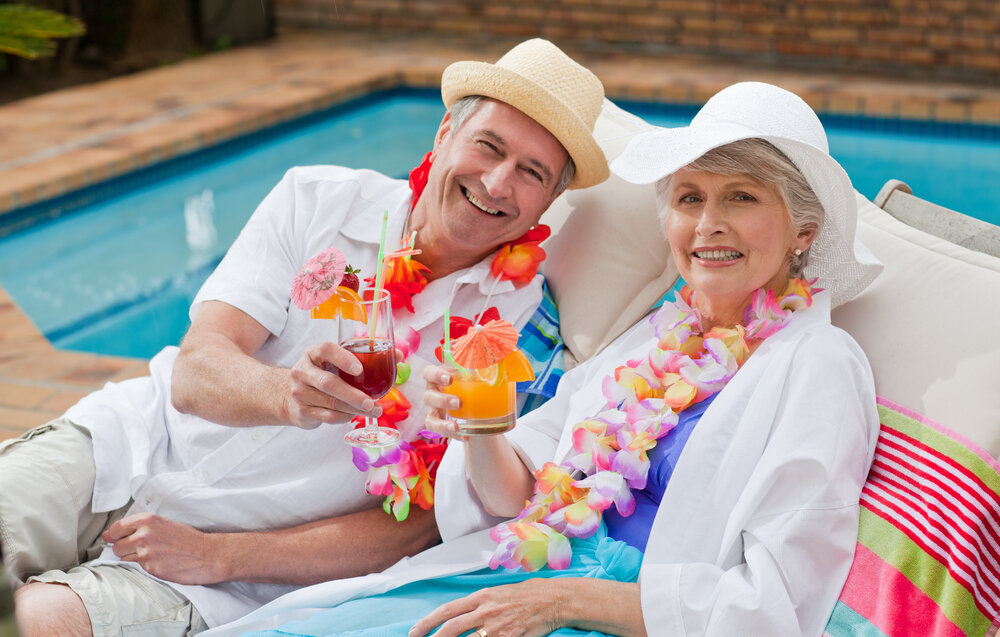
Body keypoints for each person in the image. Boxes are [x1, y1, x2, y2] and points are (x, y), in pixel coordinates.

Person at [199, 81, 885, 637]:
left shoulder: (820, 365)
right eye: (689, 197)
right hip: (524, 574)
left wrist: (565, 601)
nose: (708, 222)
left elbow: (775, 604)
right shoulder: (657, 340)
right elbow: (519, 489)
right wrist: (485, 426)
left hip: (623, 615)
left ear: (803, 232)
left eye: (741, 196)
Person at [2, 39, 610, 636]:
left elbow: (419, 526)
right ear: (444, 133)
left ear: (549, 203)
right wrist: (286, 394)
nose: (498, 183)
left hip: (228, 567)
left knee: (37, 622)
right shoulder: (316, 198)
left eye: (531, 172)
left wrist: (224, 558)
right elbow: (196, 368)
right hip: (124, 447)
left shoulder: (521, 333)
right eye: (488, 145)